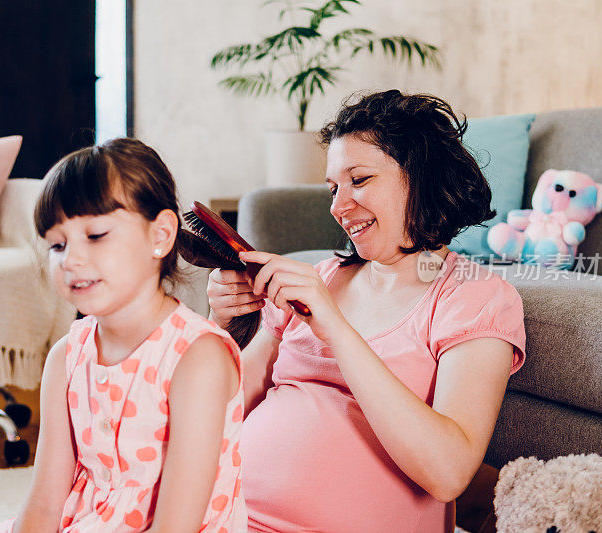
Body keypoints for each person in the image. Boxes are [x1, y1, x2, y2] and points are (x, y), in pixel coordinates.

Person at [207, 90, 526, 533]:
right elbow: (210, 415)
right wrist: (217, 328)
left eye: (359, 180)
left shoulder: (475, 297)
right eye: (334, 188)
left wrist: (335, 328)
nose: (338, 207)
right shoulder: (321, 278)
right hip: (219, 512)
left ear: (421, 177)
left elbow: (449, 472)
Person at [0, 138, 246, 533]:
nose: (71, 259)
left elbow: (177, 525)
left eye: (95, 236)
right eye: (57, 244)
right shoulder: (67, 356)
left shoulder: (198, 358)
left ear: (160, 235)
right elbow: (44, 502)